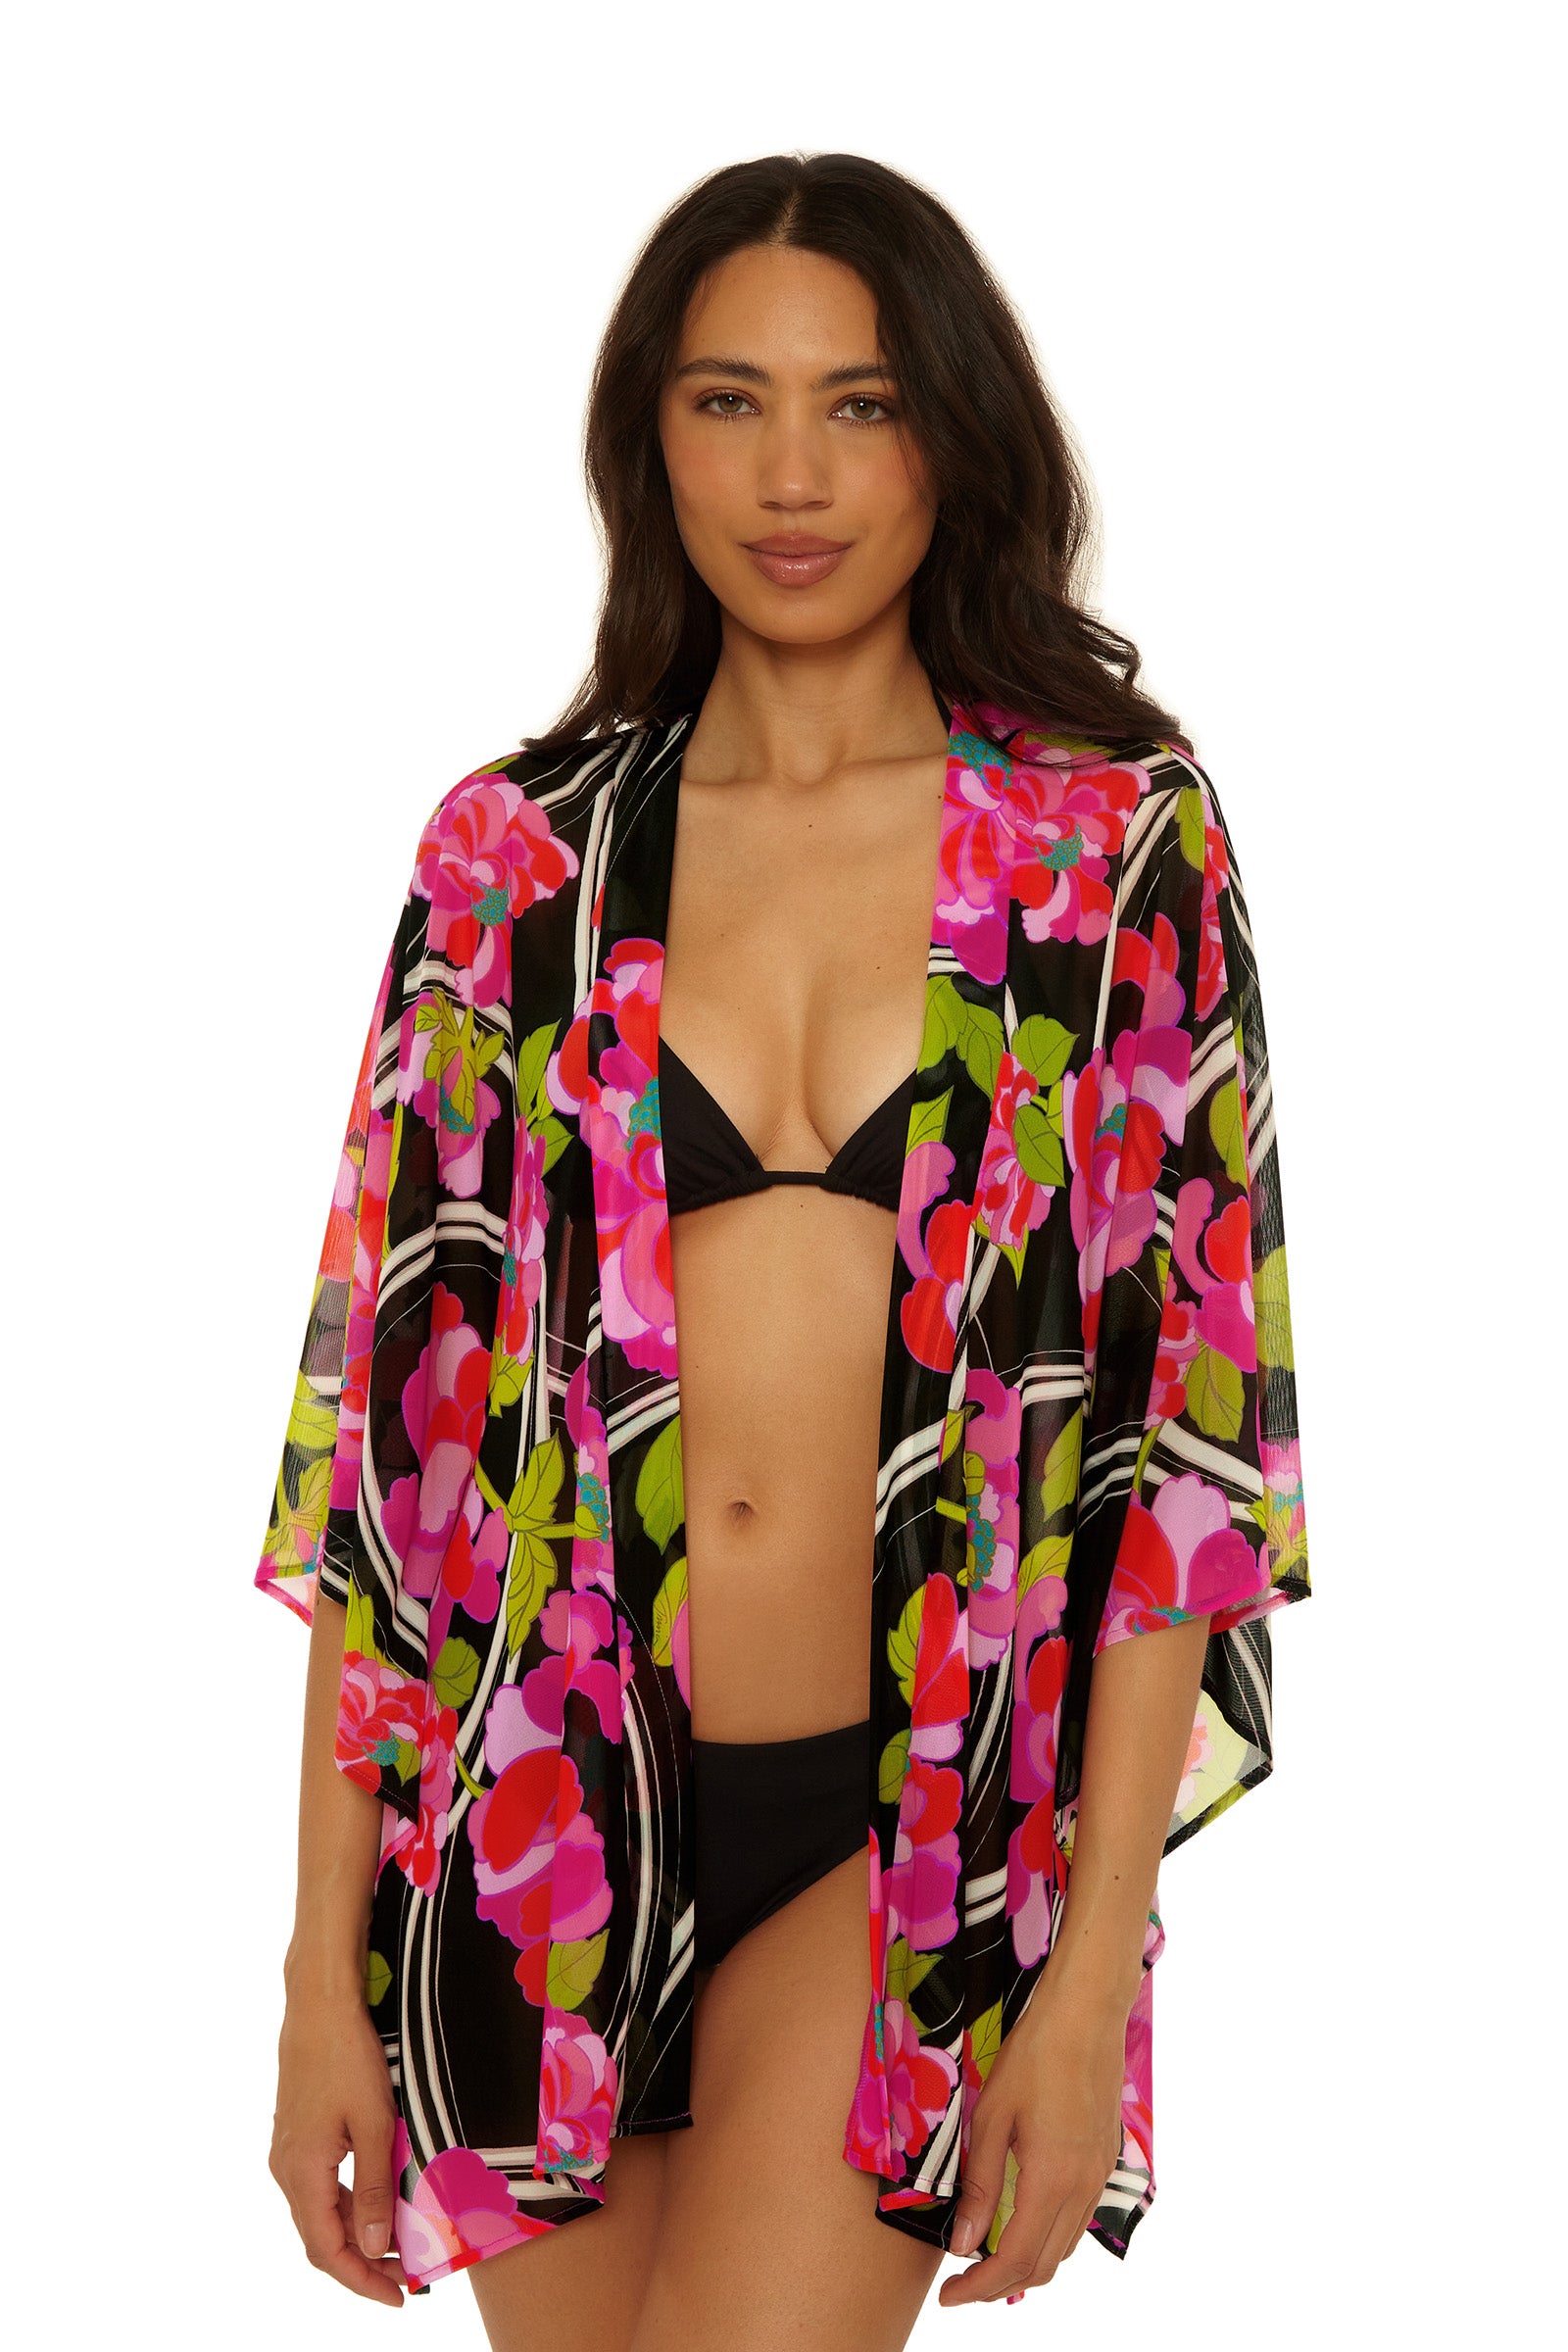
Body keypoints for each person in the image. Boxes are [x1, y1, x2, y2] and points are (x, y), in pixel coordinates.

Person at [257, 153, 1310, 2350]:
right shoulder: (513, 864)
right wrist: (310, 1983)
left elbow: (1181, 1454)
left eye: (862, 405)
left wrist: (1088, 1975)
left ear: (953, 435)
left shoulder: (1110, 851)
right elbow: (389, 1452)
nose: (794, 475)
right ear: (647, 438)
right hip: (536, 1807)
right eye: (729, 402)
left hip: (902, 1832)